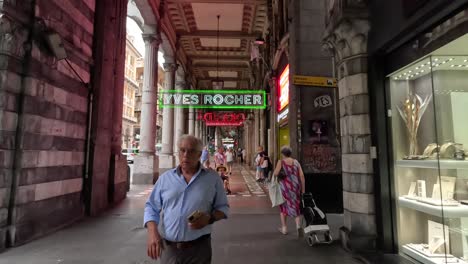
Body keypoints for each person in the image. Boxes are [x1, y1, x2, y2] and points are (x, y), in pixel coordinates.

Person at [144, 135, 230, 263]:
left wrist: (209, 218)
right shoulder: (165, 179)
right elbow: (151, 206)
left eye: (191, 151)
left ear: (199, 154)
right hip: (169, 249)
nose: (185, 155)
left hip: (199, 250)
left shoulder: (212, 179)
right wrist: (152, 232)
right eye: (182, 150)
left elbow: (223, 208)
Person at [273, 146, 305, 238]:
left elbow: (275, 173)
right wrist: (303, 190)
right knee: (296, 206)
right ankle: (298, 226)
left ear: (282, 154)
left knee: (283, 207)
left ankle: (284, 228)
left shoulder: (281, 162)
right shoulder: (296, 162)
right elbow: (302, 176)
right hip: (295, 187)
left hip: (285, 188)